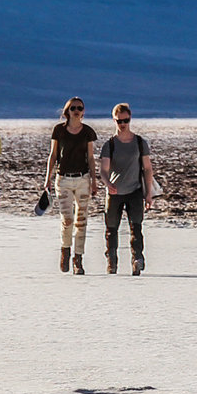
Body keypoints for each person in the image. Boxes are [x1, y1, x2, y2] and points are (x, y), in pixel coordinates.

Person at [99, 103, 158, 276]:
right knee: (111, 229)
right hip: (115, 192)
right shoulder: (109, 145)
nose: (123, 124)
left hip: (135, 191)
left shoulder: (140, 143)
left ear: (130, 119)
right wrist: (108, 184)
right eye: (119, 121)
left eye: (126, 120)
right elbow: (103, 170)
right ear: (114, 121)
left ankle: (137, 260)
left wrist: (148, 193)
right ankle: (112, 261)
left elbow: (147, 168)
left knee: (136, 227)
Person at [44, 98, 99, 274]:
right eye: (73, 108)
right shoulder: (59, 130)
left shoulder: (88, 132)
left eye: (79, 108)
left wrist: (94, 180)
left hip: (82, 179)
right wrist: (47, 179)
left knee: (81, 221)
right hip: (63, 179)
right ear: (67, 111)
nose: (76, 111)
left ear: (83, 111)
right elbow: (53, 155)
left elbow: (90, 157)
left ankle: (78, 259)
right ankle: (65, 249)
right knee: (67, 219)